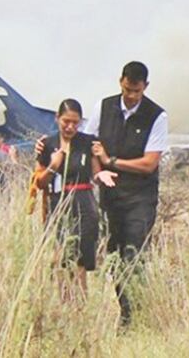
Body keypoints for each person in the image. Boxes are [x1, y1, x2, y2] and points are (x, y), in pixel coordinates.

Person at [35, 99, 117, 295]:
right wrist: (53, 166)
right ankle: (63, 300)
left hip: (83, 202)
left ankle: (80, 302)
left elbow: (95, 174)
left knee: (79, 258)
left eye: (75, 122)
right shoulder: (47, 144)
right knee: (59, 257)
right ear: (57, 118)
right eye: (66, 121)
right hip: (57, 202)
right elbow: (39, 182)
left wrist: (101, 175)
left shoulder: (88, 142)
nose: (70, 127)